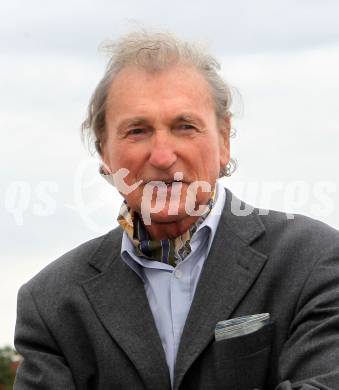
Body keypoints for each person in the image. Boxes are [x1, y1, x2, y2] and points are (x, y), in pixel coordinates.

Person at [14, 30, 339, 390]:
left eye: (185, 127)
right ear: (105, 153)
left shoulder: (314, 261)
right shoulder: (51, 304)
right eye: (137, 131)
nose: (163, 156)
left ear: (224, 140)